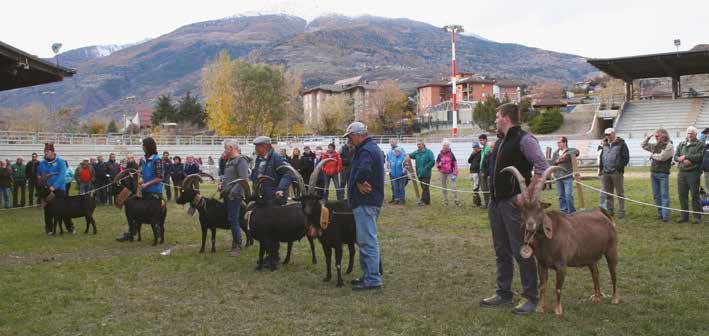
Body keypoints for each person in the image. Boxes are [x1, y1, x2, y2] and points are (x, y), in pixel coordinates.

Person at [479, 103, 549, 315]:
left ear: (506, 118)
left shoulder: (525, 139)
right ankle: (504, 292)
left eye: (497, 116)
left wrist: (525, 194)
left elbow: (542, 167)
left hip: (512, 204)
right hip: (496, 202)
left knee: (522, 250)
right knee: (501, 249)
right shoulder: (501, 141)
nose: (495, 120)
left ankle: (530, 297)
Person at [344, 122, 384, 291]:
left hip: (366, 202)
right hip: (367, 202)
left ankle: (373, 279)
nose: (349, 141)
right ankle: (369, 275)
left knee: (367, 241)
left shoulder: (366, 150)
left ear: (358, 134)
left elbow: (364, 169)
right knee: (365, 240)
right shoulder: (369, 148)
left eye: (350, 137)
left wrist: (360, 182)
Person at [117, 137, 164, 241]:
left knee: (149, 212)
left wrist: (147, 184)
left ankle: (157, 231)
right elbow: (142, 173)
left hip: (154, 192)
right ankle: (131, 232)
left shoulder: (157, 160)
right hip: (144, 191)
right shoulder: (143, 160)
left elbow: (159, 178)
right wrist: (142, 180)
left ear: (148, 146)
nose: (142, 147)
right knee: (129, 205)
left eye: (144, 145)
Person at [220, 140, 250, 256]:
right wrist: (222, 185)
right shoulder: (230, 161)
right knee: (232, 219)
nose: (224, 150)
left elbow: (243, 179)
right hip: (227, 195)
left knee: (233, 220)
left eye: (225, 148)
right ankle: (235, 243)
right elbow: (229, 179)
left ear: (231, 147)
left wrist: (233, 192)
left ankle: (238, 245)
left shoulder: (241, 160)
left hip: (235, 196)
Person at [38, 143, 75, 234]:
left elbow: (62, 176)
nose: (45, 153)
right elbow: (40, 174)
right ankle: (49, 228)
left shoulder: (61, 162)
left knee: (63, 209)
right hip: (47, 190)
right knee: (48, 209)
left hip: (59, 189)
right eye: (45, 151)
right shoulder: (42, 163)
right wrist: (41, 180)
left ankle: (70, 227)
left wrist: (53, 187)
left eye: (47, 151)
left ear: (52, 152)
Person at [249, 136, 295, 206]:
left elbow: (289, 173)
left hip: (274, 198)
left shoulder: (277, 158)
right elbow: (255, 175)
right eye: (256, 146)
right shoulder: (258, 159)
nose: (256, 149)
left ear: (266, 146)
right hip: (261, 197)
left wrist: (281, 189)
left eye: (258, 146)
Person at [641, 128, 674, 222]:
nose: (656, 137)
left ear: (664, 135)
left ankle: (665, 216)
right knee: (656, 195)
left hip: (663, 174)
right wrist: (648, 138)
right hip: (654, 173)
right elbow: (643, 145)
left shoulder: (669, 145)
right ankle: (660, 213)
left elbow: (662, 157)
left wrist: (652, 156)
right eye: (655, 136)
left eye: (657, 136)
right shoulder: (656, 145)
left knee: (664, 195)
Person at [674, 126, 704, 224]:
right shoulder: (682, 144)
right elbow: (675, 156)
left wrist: (687, 157)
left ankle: (697, 217)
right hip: (682, 173)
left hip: (693, 173)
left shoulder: (700, 144)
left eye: (691, 133)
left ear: (695, 134)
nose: (689, 135)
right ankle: (684, 216)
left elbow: (700, 156)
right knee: (682, 195)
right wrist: (680, 159)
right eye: (688, 133)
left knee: (694, 195)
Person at [599, 128, 630, 219]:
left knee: (620, 193)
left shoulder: (621, 143)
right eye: (606, 134)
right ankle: (610, 210)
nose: (607, 136)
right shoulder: (604, 144)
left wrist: (619, 168)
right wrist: (601, 169)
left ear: (613, 133)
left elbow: (626, 157)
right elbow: (602, 157)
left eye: (609, 134)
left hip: (616, 173)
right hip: (606, 172)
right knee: (608, 193)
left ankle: (621, 211)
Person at [551, 137, 579, 214]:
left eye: (559, 142)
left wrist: (566, 154)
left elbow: (577, 151)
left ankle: (572, 212)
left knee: (568, 195)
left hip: (567, 177)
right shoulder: (555, 153)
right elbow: (552, 163)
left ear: (565, 143)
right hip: (558, 177)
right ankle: (564, 212)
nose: (558, 144)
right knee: (561, 196)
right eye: (557, 142)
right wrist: (557, 160)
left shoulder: (571, 151)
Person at [407, 141, 435, 205]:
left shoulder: (428, 152)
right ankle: (427, 201)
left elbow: (432, 161)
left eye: (419, 144)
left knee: (425, 187)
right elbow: (410, 155)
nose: (418, 146)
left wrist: (426, 168)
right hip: (419, 173)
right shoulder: (417, 152)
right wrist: (407, 156)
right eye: (417, 144)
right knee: (424, 187)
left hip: (426, 173)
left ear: (423, 145)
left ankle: (423, 200)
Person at [436, 139, 460, 207]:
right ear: (442, 146)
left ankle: (456, 201)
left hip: (450, 173)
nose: (445, 147)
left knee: (453, 187)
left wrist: (455, 173)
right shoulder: (440, 154)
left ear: (448, 146)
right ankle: (445, 201)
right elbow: (437, 162)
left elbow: (455, 164)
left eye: (446, 146)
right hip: (442, 173)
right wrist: (439, 166)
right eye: (444, 146)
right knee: (443, 188)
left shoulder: (451, 154)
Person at [386, 139, 405, 203]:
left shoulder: (401, 149)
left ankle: (401, 199)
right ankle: (395, 198)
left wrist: (404, 170)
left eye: (393, 142)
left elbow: (405, 160)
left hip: (400, 173)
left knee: (400, 187)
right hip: (392, 173)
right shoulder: (389, 152)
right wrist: (389, 168)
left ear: (396, 142)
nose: (391, 143)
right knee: (394, 187)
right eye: (390, 142)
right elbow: (388, 161)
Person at [467, 143, 483, 207]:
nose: (473, 149)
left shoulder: (481, 153)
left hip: (476, 172)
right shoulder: (473, 153)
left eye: (474, 148)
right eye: (473, 148)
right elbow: (469, 161)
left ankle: (478, 203)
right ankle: (475, 202)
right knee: (472, 188)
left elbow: (481, 162)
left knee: (475, 188)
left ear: (477, 147)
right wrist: (472, 154)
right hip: (471, 171)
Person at [478, 134, 492, 208]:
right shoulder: (483, 148)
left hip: (486, 171)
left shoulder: (488, 148)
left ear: (486, 140)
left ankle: (489, 204)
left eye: (482, 140)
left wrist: (485, 172)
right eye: (480, 140)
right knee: (483, 188)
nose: (481, 141)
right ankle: (486, 203)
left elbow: (487, 161)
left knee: (488, 188)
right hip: (481, 170)